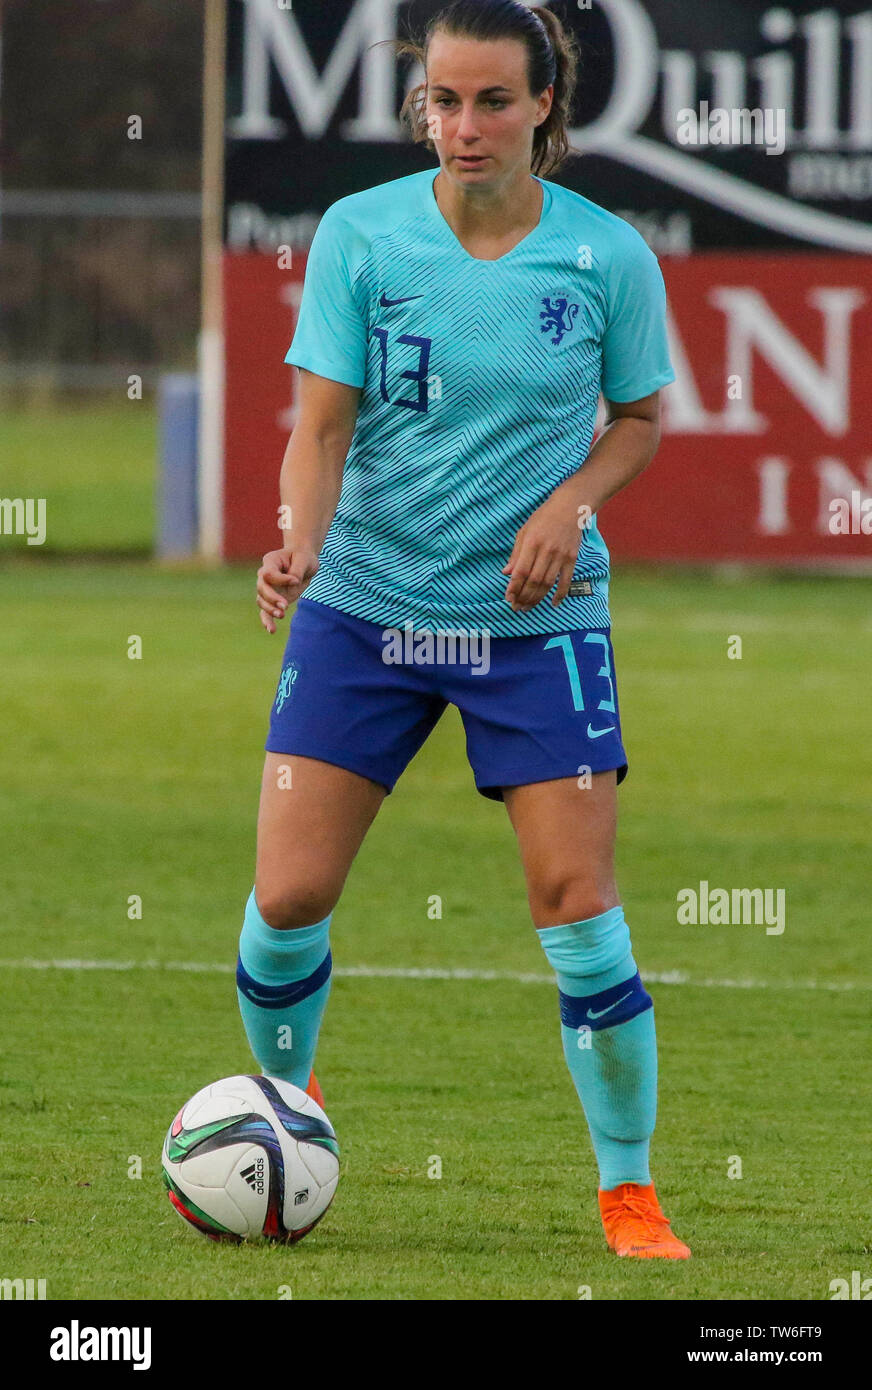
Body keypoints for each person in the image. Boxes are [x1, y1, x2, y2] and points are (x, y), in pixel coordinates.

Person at [240, 0, 689, 1260]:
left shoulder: (605, 256)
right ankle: (289, 1115)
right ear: (417, 102)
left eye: (493, 100)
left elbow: (638, 419)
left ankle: (627, 1191)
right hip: (364, 608)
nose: (464, 126)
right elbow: (318, 425)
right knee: (288, 895)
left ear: (544, 105)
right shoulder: (357, 235)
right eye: (443, 100)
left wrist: (568, 504)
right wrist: (299, 538)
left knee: (575, 905)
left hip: (533, 626)